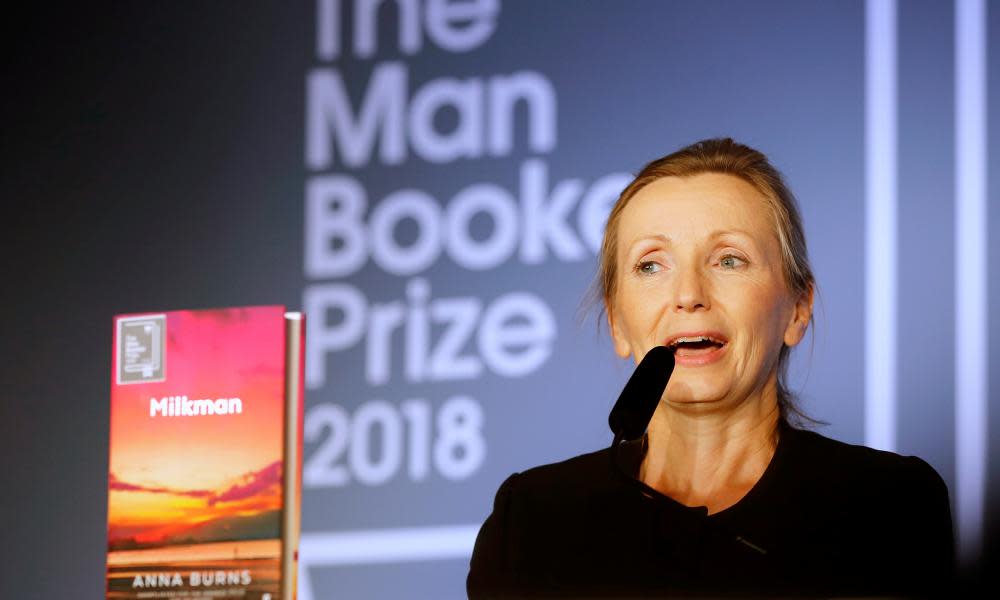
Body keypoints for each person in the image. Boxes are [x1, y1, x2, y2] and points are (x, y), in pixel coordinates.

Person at [466, 138, 954, 598]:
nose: (689, 296)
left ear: (797, 310)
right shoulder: (532, 520)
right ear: (616, 321)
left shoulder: (886, 504)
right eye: (651, 266)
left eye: (729, 260)